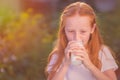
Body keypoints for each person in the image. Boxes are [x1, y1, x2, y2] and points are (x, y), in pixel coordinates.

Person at [45, 2, 118, 80]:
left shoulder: (102, 52)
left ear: (92, 29)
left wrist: (89, 65)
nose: (76, 37)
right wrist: (65, 64)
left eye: (83, 31)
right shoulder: (58, 55)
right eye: (70, 31)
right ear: (64, 30)